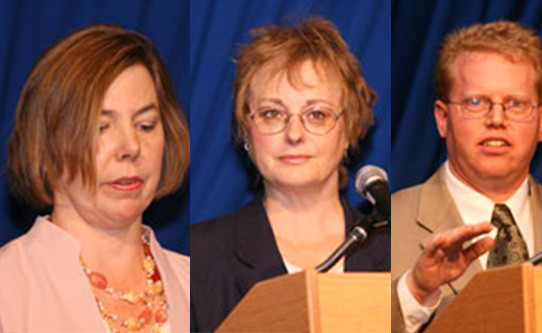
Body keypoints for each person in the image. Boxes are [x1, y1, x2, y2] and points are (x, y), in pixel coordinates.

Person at [190, 17, 390, 332]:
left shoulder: (395, 251)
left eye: (317, 114)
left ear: (349, 129)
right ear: (246, 132)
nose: (294, 133)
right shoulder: (198, 257)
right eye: (272, 113)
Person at [391, 20, 542, 333]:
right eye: (476, 102)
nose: (497, 119)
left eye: (515, 103)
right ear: (442, 118)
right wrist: (415, 291)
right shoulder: (385, 227)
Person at [0, 24, 190, 332]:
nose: (130, 147)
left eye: (145, 125)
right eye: (101, 127)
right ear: (47, 143)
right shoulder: (8, 289)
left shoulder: (201, 283)